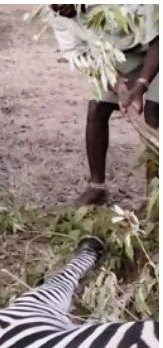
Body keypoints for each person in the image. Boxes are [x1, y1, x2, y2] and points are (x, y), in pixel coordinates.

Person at [50, 4, 159, 205]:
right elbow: (78, 54)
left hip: (154, 48)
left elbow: (157, 40)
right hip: (115, 56)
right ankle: (96, 187)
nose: (59, 9)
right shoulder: (58, 13)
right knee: (97, 109)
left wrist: (141, 85)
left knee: (155, 114)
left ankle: (154, 196)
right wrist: (117, 84)